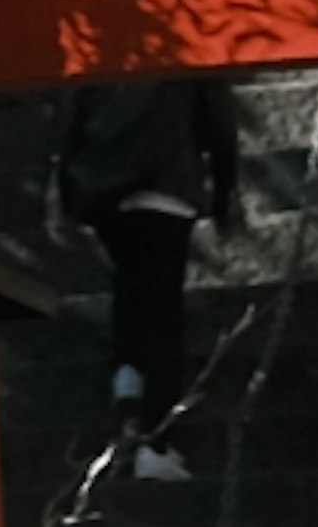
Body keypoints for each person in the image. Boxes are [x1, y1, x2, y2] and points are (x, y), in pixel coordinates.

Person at [54, 63, 242, 487]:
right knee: (162, 313)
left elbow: (69, 116)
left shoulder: (100, 50)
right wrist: (226, 189)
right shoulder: (184, 49)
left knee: (131, 289)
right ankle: (154, 441)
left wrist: (67, 192)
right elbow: (219, 117)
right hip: (167, 183)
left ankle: (126, 376)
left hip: (105, 190)